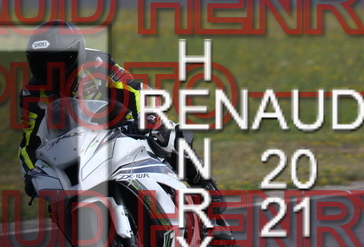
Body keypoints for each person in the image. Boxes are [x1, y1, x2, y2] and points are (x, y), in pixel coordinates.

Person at [18, 20, 225, 213]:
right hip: (73, 145)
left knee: (166, 133)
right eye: (40, 63)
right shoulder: (31, 94)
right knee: (54, 197)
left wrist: (144, 118)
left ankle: (202, 183)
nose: (49, 69)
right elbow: (29, 142)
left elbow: (133, 89)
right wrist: (30, 173)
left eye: (57, 61)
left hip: (119, 123)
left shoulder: (97, 63)